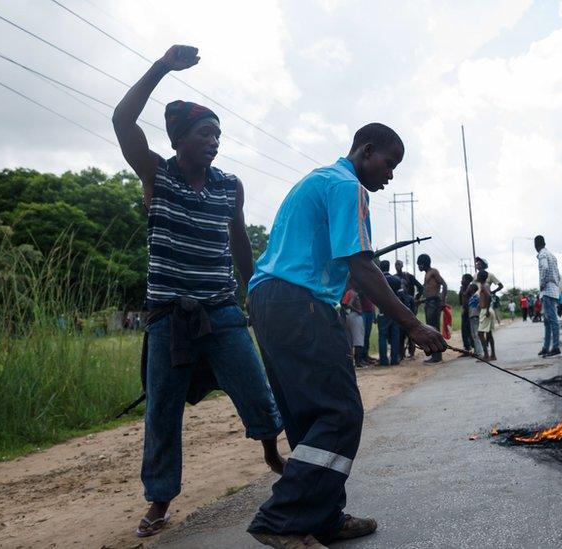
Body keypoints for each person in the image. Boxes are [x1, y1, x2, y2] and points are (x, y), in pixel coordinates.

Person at [112, 45, 284, 539]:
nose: (213, 141)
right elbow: (123, 119)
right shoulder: (157, 175)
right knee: (162, 410)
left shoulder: (230, 185)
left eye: (217, 135)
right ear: (179, 139)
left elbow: (238, 242)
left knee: (255, 389)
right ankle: (160, 498)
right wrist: (161, 67)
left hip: (222, 310)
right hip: (169, 318)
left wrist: (253, 292)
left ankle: (271, 451)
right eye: (204, 133)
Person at [246, 122, 446, 546]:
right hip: (300, 303)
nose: (390, 176)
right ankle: (282, 519)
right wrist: (412, 324)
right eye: (389, 165)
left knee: (308, 416)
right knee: (340, 413)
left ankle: (323, 517)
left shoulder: (318, 179)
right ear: (366, 151)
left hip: (268, 301)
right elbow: (360, 265)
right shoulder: (346, 186)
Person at [418, 253, 447, 364]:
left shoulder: (433, 272)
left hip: (434, 303)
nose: (418, 267)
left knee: (433, 329)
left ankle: (437, 356)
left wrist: (442, 301)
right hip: (429, 303)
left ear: (423, 263)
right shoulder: (427, 274)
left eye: (419, 264)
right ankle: (436, 355)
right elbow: (428, 290)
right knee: (431, 329)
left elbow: (444, 285)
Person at [535, 235, 561, 357]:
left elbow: (544, 268)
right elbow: (558, 274)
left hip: (547, 290)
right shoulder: (552, 255)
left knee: (552, 320)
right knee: (547, 321)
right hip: (553, 290)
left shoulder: (542, 255)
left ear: (536, 245)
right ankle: (546, 347)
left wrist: (542, 283)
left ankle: (555, 347)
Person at [376, 260, 404, 366]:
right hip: (395, 311)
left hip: (382, 311)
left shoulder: (376, 280)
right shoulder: (396, 280)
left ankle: (383, 361)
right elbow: (401, 296)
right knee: (395, 335)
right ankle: (394, 360)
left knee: (382, 336)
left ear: (380, 267)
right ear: (389, 267)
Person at [394, 260, 423, 358]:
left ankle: (411, 352)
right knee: (400, 330)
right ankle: (401, 353)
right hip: (398, 307)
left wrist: (416, 299)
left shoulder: (409, 276)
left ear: (402, 265)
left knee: (411, 329)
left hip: (410, 305)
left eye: (399, 264)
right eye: (396, 264)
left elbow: (420, 287)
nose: (398, 266)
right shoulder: (394, 278)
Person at [341, 284, 365, 368]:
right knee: (359, 340)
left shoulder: (348, 292)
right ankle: (358, 362)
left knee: (350, 340)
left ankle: (352, 362)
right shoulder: (354, 294)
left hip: (349, 316)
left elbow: (344, 304)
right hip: (355, 316)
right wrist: (358, 310)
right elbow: (349, 304)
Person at [476, 270, 497, 361]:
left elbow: (489, 297)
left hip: (486, 311)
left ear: (480, 277)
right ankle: (493, 355)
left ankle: (486, 355)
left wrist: (487, 309)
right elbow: (486, 297)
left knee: (480, 333)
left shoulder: (483, 286)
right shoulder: (487, 285)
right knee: (489, 334)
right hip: (489, 309)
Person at [458, 274, 475, 357]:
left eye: (463, 279)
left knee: (470, 331)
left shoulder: (471, 288)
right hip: (464, 311)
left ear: (468, 280)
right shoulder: (461, 289)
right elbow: (460, 300)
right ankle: (467, 349)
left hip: (470, 312)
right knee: (464, 331)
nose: (461, 281)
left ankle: (474, 349)